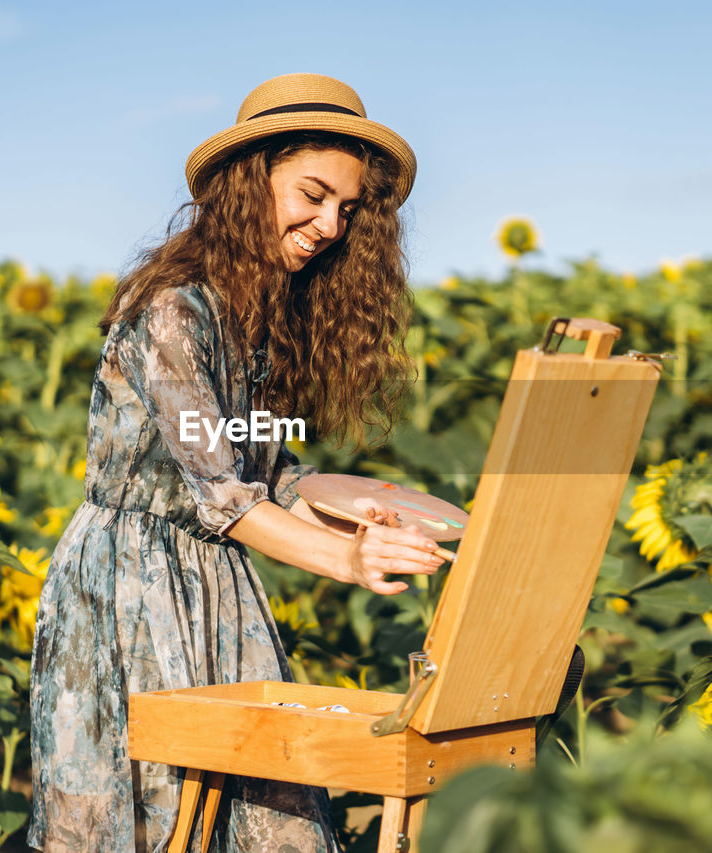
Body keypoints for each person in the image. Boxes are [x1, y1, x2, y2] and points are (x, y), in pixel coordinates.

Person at [28, 73, 443, 852]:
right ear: (251, 183)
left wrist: (367, 508)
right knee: (149, 810)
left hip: (218, 584)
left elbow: (271, 477)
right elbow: (227, 496)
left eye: (348, 209)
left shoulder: (261, 316)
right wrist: (352, 560)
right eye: (313, 194)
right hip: (128, 592)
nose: (330, 224)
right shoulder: (174, 310)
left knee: (257, 804)